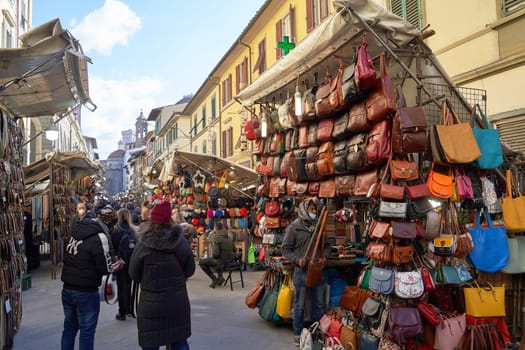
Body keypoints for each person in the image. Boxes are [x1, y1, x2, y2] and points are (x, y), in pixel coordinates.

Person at [129, 200, 195, 350]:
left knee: (151, 343)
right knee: (179, 341)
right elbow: (190, 270)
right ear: (169, 219)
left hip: (150, 305)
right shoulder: (181, 242)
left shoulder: (143, 244)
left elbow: (133, 273)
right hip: (177, 302)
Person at [60, 202, 115, 350]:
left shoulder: (74, 233)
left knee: (69, 328)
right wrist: (114, 266)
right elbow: (104, 268)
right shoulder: (99, 237)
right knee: (86, 331)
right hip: (86, 292)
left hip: (67, 288)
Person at [281, 200, 328, 347]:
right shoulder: (294, 228)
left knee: (319, 305)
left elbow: (327, 246)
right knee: (299, 305)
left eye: (315, 209)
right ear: (303, 210)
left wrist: (324, 257)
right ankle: (297, 333)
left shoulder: (319, 227)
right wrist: (297, 260)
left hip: (316, 270)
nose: (314, 212)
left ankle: (321, 332)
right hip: (301, 271)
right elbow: (285, 249)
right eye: (311, 209)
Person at [111, 208, 137, 321]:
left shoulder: (115, 230)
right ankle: (130, 309)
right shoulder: (133, 230)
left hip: (120, 261)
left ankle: (122, 312)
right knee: (129, 285)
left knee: (121, 286)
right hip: (131, 262)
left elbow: (112, 247)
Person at [198, 222, 234, 288]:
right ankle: (220, 277)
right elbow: (233, 248)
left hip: (221, 260)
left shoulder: (216, 237)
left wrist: (213, 257)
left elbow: (216, 254)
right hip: (228, 260)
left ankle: (214, 279)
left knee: (201, 262)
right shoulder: (228, 237)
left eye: (214, 228)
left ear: (216, 228)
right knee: (214, 260)